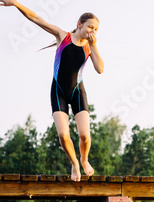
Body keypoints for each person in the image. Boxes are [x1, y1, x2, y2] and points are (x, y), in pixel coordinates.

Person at [1, 0, 104, 181]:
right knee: (63, 136)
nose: (92, 32)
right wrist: (16, 4)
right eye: (90, 27)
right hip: (58, 91)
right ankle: (74, 164)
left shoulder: (90, 47)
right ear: (80, 24)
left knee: (85, 136)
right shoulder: (63, 36)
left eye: (96, 29)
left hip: (78, 92)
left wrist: (94, 46)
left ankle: (84, 159)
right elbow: (36, 19)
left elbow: (100, 69)